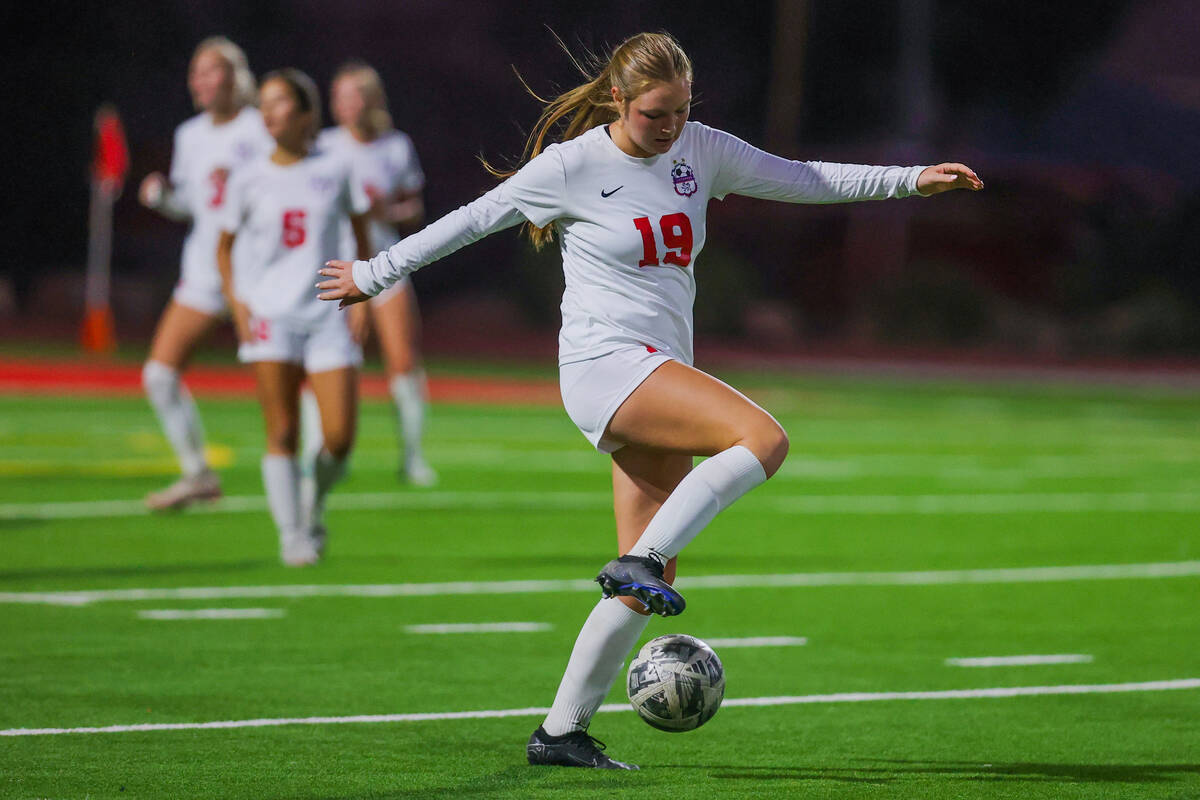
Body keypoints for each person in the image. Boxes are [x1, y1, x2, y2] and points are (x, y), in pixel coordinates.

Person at [317, 32, 983, 768]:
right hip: (605, 366)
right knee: (763, 440)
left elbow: (804, 178)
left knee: (646, 581)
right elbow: (473, 219)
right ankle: (641, 563)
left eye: (680, 112)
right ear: (618, 100)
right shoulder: (572, 166)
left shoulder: (700, 150)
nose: (669, 128)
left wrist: (913, 179)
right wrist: (374, 272)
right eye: (654, 115)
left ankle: (560, 733)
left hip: (656, 366)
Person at [217, 69, 372, 566]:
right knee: (281, 430)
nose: (268, 111)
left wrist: (365, 293)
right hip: (271, 315)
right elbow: (224, 247)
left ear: (306, 114)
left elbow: (361, 233)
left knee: (339, 439)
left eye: (280, 102)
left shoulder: (334, 170)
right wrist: (238, 303)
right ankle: (291, 535)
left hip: (327, 314)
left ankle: (314, 501)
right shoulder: (248, 176)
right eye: (263, 102)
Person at [138, 37, 273, 511]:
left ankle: (312, 462)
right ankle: (198, 475)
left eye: (209, 71)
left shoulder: (261, 129)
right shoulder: (189, 135)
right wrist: (162, 200)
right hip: (202, 272)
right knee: (159, 375)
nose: (198, 80)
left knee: (280, 374)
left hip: (255, 275)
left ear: (234, 76)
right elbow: (197, 210)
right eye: (194, 71)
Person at [301, 61, 436, 486]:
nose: (343, 104)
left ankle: (412, 458)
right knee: (327, 359)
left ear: (371, 99)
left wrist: (388, 211)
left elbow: (413, 206)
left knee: (402, 361)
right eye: (338, 96)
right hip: (334, 268)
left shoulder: (395, 146)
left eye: (352, 95)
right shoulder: (322, 145)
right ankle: (314, 450)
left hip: (385, 264)